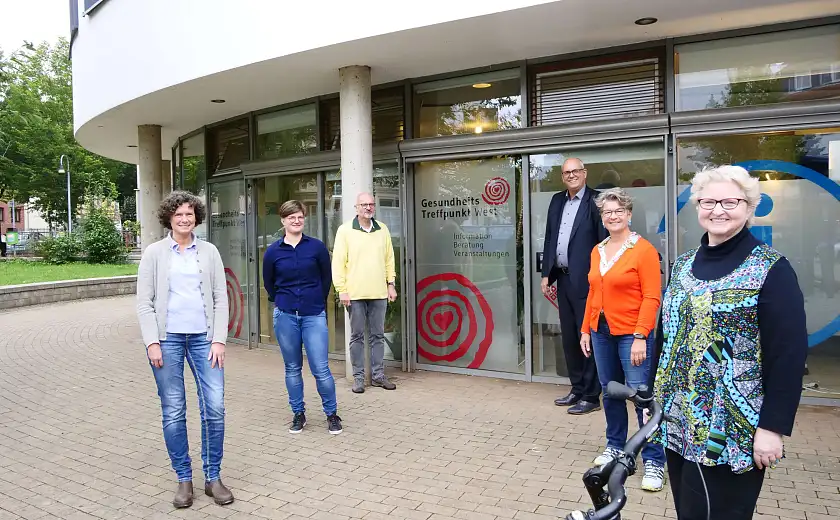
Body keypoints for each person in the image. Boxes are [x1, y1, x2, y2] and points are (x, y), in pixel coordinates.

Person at [650, 165, 808, 519]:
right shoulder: (683, 264)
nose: (717, 210)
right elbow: (667, 335)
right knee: (689, 511)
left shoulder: (770, 269)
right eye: (708, 201)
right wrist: (652, 397)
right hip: (678, 418)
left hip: (733, 427)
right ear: (697, 206)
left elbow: (788, 355)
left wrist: (772, 427)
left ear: (749, 208)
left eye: (729, 201)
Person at [136, 191, 234, 509]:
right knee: (174, 411)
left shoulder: (209, 252)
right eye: (178, 214)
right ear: (169, 217)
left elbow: (221, 297)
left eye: (189, 213)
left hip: (205, 339)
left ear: (196, 217)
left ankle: (213, 477)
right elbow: (144, 302)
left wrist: (219, 338)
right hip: (168, 341)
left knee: (215, 408)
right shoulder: (154, 253)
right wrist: (152, 341)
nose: (184, 218)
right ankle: (184, 479)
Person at [579, 188, 666, 491]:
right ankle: (615, 447)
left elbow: (652, 296)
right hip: (601, 332)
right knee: (609, 392)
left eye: (618, 211)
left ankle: (654, 461)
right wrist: (585, 329)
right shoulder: (597, 250)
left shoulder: (643, 250)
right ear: (602, 218)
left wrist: (642, 335)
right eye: (607, 212)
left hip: (633, 334)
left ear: (629, 214)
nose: (613, 216)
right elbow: (593, 293)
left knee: (642, 398)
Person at [262, 200, 342, 435]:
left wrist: (315, 300)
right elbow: (269, 283)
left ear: (304, 219)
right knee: (292, 368)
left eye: (299, 217)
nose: (296, 221)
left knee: (321, 368)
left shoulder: (316, 248)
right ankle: (298, 413)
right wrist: (284, 300)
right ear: (283, 221)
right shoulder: (273, 251)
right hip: (286, 315)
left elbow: (326, 279)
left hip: (313, 315)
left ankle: (332, 414)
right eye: (291, 217)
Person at [541, 158, 607, 414]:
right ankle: (577, 388)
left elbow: (603, 241)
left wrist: (601, 279)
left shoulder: (597, 200)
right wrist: (547, 274)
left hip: (588, 281)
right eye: (567, 172)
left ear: (584, 173)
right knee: (569, 337)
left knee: (586, 336)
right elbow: (549, 238)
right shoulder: (557, 200)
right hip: (564, 279)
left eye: (575, 171)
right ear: (562, 176)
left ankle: (591, 395)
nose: (571, 175)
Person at [332, 191, 397, 394]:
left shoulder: (383, 230)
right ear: (356, 208)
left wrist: (391, 284)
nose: (368, 207)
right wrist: (341, 290)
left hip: (379, 292)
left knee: (378, 336)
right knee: (357, 337)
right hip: (355, 294)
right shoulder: (344, 231)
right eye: (364, 204)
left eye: (371, 204)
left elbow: (389, 259)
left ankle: (378, 376)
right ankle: (359, 378)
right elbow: (338, 263)